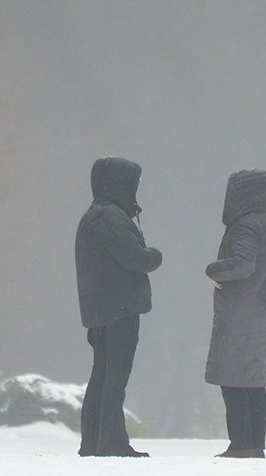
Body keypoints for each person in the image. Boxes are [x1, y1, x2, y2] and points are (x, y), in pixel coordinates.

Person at [204, 169, 266, 459]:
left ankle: (241, 445)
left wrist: (213, 270)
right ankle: (254, 444)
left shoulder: (244, 226)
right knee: (254, 382)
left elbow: (242, 265)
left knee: (232, 379)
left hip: (242, 315)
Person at [75, 157, 162, 457]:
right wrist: (155, 255)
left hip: (99, 309)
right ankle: (111, 442)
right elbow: (136, 259)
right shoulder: (111, 218)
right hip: (120, 309)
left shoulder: (93, 216)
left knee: (101, 375)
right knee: (115, 378)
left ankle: (92, 441)